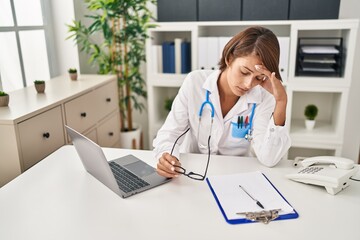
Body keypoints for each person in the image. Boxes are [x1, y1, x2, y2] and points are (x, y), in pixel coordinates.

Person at [153, 26, 291, 179]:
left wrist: (281, 101)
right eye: (244, 72)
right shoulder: (195, 83)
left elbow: (269, 158)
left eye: (259, 78)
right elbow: (169, 135)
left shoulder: (264, 97)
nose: (248, 84)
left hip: (236, 177)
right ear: (230, 58)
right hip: (192, 175)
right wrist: (166, 157)